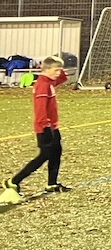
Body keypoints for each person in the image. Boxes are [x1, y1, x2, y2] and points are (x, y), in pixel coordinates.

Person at [4, 55, 72, 197]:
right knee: (44, 156)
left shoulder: (49, 81)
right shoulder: (43, 85)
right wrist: (45, 127)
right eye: (56, 70)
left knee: (56, 152)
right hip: (45, 127)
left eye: (59, 70)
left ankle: (52, 184)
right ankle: (13, 181)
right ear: (46, 69)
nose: (58, 73)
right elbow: (40, 109)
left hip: (52, 126)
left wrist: (58, 67)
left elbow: (63, 78)